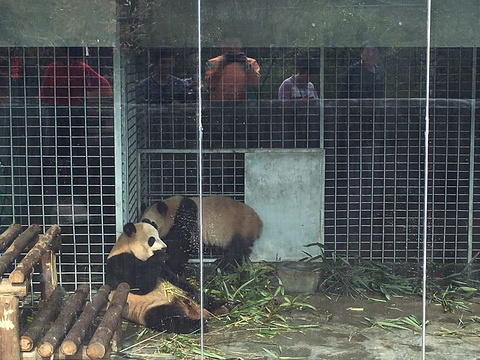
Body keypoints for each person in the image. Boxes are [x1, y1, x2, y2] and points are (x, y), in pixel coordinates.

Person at [39, 47, 112, 105]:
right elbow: (44, 91)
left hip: (76, 110)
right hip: (54, 109)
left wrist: (88, 95)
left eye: (59, 52)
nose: (56, 54)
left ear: (68, 54)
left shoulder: (81, 68)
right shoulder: (52, 68)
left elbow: (105, 87)